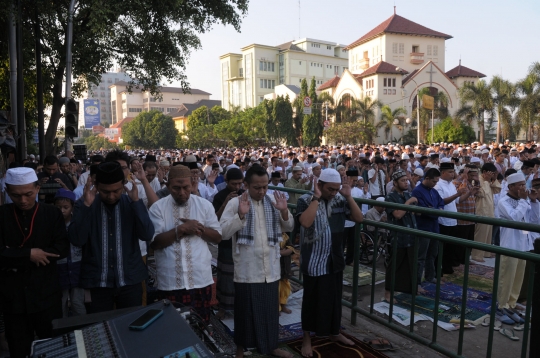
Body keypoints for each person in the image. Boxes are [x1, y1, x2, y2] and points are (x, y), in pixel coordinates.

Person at [220, 165, 294, 358]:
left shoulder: (273, 201)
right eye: (257, 187)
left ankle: (272, 346)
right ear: (246, 185)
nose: (262, 191)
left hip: (270, 268)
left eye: (265, 187)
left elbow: (290, 226)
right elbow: (223, 232)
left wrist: (284, 211)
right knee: (245, 314)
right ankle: (240, 350)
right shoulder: (236, 203)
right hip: (247, 270)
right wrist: (241, 215)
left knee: (270, 312)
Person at [0, 167, 69, 358]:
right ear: (7, 192)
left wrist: (11, 255)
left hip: (46, 294)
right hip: (14, 299)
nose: (23, 201)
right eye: (16, 195)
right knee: (19, 349)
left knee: (53, 346)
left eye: (28, 194)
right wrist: (29, 255)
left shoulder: (51, 214)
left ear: (37, 189)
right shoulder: (2, 215)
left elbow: (61, 249)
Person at [68, 161, 155, 313]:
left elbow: (147, 234)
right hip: (97, 283)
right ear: (96, 186)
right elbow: (77, 239)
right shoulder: (84, 205)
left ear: (123, 185)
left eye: (116, 190)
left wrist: (136, 203)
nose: (111, 196)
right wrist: (87, 207)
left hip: (130, 281)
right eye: (105, 191)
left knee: (131, 327)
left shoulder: (131, 203)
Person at [297, 169, 364, 357]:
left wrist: (348, 196)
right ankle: (307, 339)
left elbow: (359, 218)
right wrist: (317, 199)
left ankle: (334, 332)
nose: (333, 192)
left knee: (334, 299)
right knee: (311, 300)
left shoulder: (340, 200)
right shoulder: (305, 199)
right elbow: (305, 223)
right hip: (314, 259)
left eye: (336, 189)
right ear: (319, 185)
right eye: (330, 189)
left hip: (334, 258)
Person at [149, 165, 222, 322]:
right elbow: (154, 243)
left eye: (185, 187)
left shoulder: (204, 205)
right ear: (167, 186)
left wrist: (199, 229)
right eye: (176, 188)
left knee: (200, 325)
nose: (182, 193)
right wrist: (180, 230)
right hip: (171, 281)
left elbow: (217, 237)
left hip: (200, 279)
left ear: (192, 185)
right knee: (173, 329)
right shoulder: (157, 208)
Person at [497, 173, 539, 323]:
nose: (524, 187)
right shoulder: (504, 202)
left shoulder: (524, 201)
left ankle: (512, 304)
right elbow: (514, 218)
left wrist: (533, 202)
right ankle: (501, 306)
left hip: (523, 243)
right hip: (510, 244)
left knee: (518, 278)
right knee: (506, 278)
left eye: (524, 184)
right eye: (520, 185)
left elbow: (534, 220)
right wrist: (524, 201)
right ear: (511, 187)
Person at [212, 168, 244, 318]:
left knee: (241, 276)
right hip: (226, 242)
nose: (237, 187)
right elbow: (214, 221)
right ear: (226, 182)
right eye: (234, 184)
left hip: (242, 241)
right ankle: (223, 308)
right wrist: (226, 203)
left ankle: (240, 306)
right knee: (225, 277)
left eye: (240, 184)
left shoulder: (245, 195)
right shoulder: (219, 196)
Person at [384, 171, 419, 301]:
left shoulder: (407, 194)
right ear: (395, 182)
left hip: (411, 234)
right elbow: (397, 214)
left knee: (409, 265)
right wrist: (409, 202)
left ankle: (403, 289)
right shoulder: (390, 197)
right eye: (403, 180)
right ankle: (387, 292)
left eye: (407, 180)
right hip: (399, 236)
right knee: (395, 265)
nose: (406, 182)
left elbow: (416, 213)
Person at [434, 162, 471, 275]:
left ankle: (448, 269)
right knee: (441, 249)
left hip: (453, 221)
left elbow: (457, 201)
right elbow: (441, 202)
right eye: (450, 172)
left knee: (451, 248)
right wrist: (457, 194)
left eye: (453, 171)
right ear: (443, 172)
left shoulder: (451, 184)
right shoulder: (438, 185)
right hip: (443, 221)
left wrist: (469, 193)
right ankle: (438, 271)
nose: (452, 174)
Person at [54, 189, 86, 317]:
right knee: (61, 301)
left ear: (72, 207)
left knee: (77, 301)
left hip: (77, 267)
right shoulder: (53, 225)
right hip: (59, 268)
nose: (62, 210)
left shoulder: (77, 223)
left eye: (66, 207)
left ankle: (82, 328)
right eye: (59, 207)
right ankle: (62, 330)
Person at [411, 168, 445, 284]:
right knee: (421, 256)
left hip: (434, 227)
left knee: (432, 254)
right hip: (423, 227)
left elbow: (441, 203)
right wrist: (434, 211)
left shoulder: (433, 191)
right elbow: (423, 210)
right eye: (434, 181)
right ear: (427, 178)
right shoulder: (417, 191)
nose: (435, 184)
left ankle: (430, 276)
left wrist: (434, 210)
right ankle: (416, 282)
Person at [472, 163, 501, 262]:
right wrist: (486, 181)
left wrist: (494, 179)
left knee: (488, 234)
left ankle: (486, 253)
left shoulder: (488, 181)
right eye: (491, 173)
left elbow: (497, 190)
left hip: (489, 211)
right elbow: (481, 193)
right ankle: (476, 255)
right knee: (480, 235)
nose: (492, 175)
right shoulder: (478, 180)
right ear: (484, 172)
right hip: (481, 211)